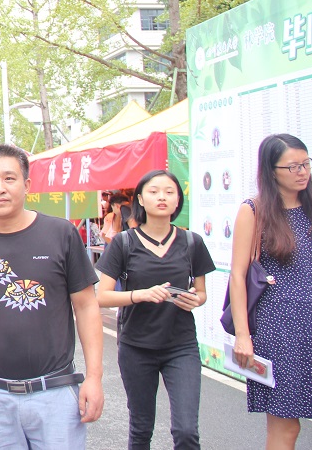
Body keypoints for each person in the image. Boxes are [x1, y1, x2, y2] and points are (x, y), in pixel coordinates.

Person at [0, 143, 104, 449]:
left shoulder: (61, 234)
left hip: (55, 393)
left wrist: (94, 377)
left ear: (27, 185)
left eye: (9, 178)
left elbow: (87, 308)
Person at [96, 170, 215, 449]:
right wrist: (141, 295)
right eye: (154, 191)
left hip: (181, 346)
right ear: (140, 199)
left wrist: (195, 299)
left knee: (186, 431)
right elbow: (101, 297)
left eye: (169, 192)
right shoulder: (124, 242)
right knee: (141, 429)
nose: (162, 197)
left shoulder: (192, 242)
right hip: (136, 346)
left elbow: (201, 293)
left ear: (178, 200)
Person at [230, 133, 312, 450]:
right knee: (286, 426)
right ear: (271, 170)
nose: (302, 172)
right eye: (293, 166)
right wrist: (243, 335)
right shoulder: (254, 210)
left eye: (306, 163)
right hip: (281, 328)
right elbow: (238, 276)